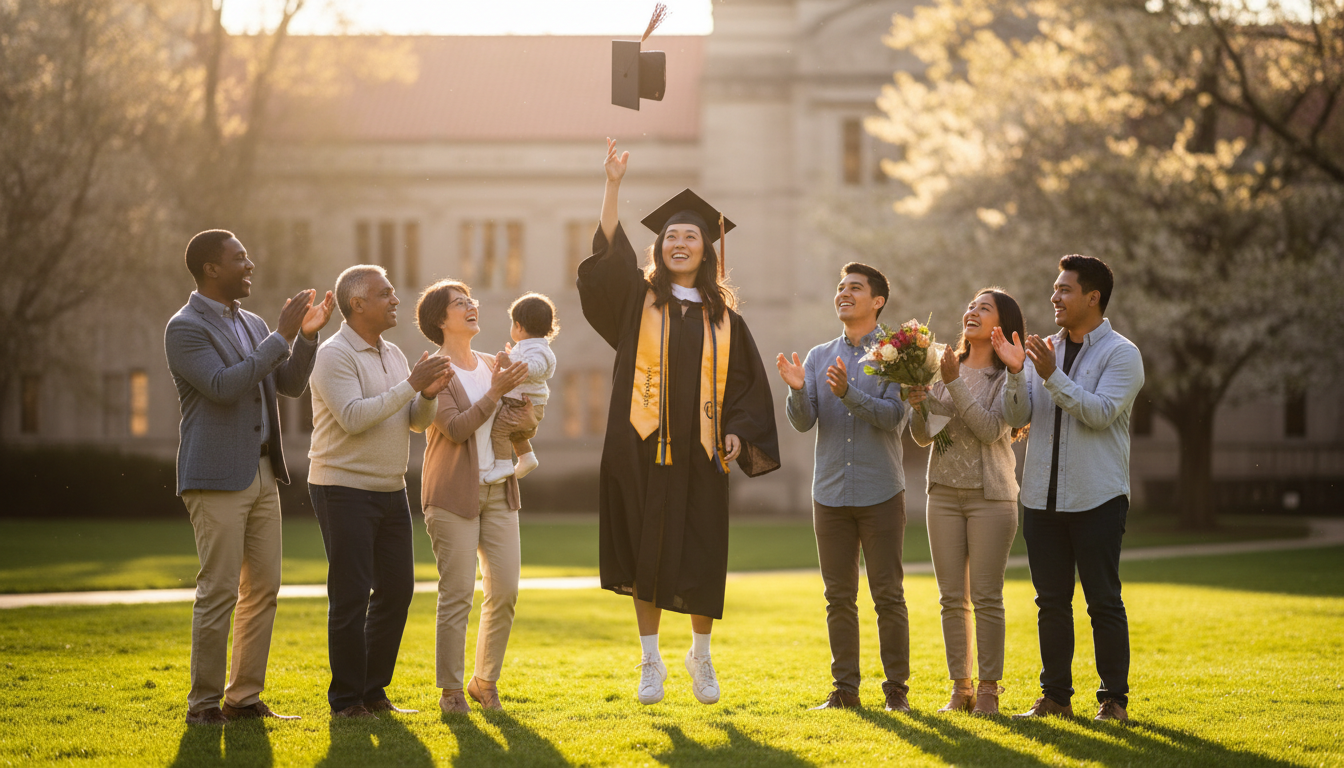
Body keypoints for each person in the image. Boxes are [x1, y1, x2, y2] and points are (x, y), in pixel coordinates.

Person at [578, 138, 780, 707]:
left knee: (702, 550)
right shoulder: (635, 301)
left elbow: (745, 387)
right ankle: (649, 661)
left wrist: (737, 432)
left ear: (707, 250)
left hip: (700, 451)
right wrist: (613, 184)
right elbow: (607, 256)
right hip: (639, 445)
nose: (680, 243)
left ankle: (702, 657)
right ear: (659, 248)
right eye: (671, 236)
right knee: (644, 552)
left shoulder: (727, 320)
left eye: (691, 235)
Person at [165, 228, 334, 725]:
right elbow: (222, 387)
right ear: (211, 269)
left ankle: (242, 699)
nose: (251, 264)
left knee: (264, 588)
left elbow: (289, 384)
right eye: (240, 258)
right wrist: (281, 336)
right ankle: (202, 706)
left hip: (263, 471)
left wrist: (304, 336)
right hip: (215, 475)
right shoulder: (185, 327)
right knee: (219, 590)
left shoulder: (254, 322)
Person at [991, 255, 1143, 723]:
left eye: (1065, 290)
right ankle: (1055, 697)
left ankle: (1113, 700)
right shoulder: (1042, 350)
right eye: (1054, 289)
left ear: (1092, 297)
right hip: (1041, 497)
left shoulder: (1122, 354)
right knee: (1051, 603)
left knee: (1103, 601)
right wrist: (1018, 373)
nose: (1054, 297)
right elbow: (1016, 417)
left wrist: (1051, 374)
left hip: (1097, 496)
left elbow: (1099, 413)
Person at [307, 264, 454, 720]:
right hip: (341, 488)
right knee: (351, 594)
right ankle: (346, 701)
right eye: (385, 293)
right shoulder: (333, 355)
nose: (395, 300)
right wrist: (411, 384)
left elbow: (413, 420)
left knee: (396, 590)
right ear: (357, 304)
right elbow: (353, 417)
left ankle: (373, 691)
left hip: (390, 489)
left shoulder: (391, 352)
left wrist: (426, 394)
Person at [777, 263, 914, 713]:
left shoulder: (898, 353)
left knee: (887, 594)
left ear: (877, 301)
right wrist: (798, 391)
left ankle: (896, 691)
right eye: (839, 287)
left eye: (855, 288)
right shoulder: (818, 357)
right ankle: (845, 691)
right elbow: (802, 423)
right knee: (839, 597)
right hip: (830, 494)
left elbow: (895, 418)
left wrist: (849, 395)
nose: (844, 293)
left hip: (880, 492)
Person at [907, 288, 1026, 716]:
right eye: (971, 305)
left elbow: (991, 429)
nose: (972, 311)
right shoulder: (939, 369)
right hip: (941, 494)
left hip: (991, 498)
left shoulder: (1007, 376)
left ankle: (990, 690)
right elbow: (924, 438)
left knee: (987, 596)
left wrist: (955, 382)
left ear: (1001, 325)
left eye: (984, 308)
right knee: (951, 598)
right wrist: (918, 405)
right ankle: (961, 688)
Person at [414, 279, 531, 714]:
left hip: (500, 492)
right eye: (460, 303)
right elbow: (458, 427)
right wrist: (497, 392)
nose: (471, 306)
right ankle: (450, 690)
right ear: (440, 320)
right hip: (451, 496)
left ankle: (485, 681)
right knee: (458, 593)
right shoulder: (436, 371)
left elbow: (517, 424)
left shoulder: (490, 363)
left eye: (471, 301)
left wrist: (524, 397)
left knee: (505, 591)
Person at [481, 292, 559, 484]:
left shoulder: (536, 349)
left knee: (499, 430)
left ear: (519, 326)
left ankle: (503, 466)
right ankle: (526, 458)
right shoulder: (531, 346)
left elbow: (534, 368)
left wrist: (511, 364)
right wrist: (513, 358)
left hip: (521, 404)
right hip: (523, 404)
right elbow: (529, 363)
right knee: (514, 433)